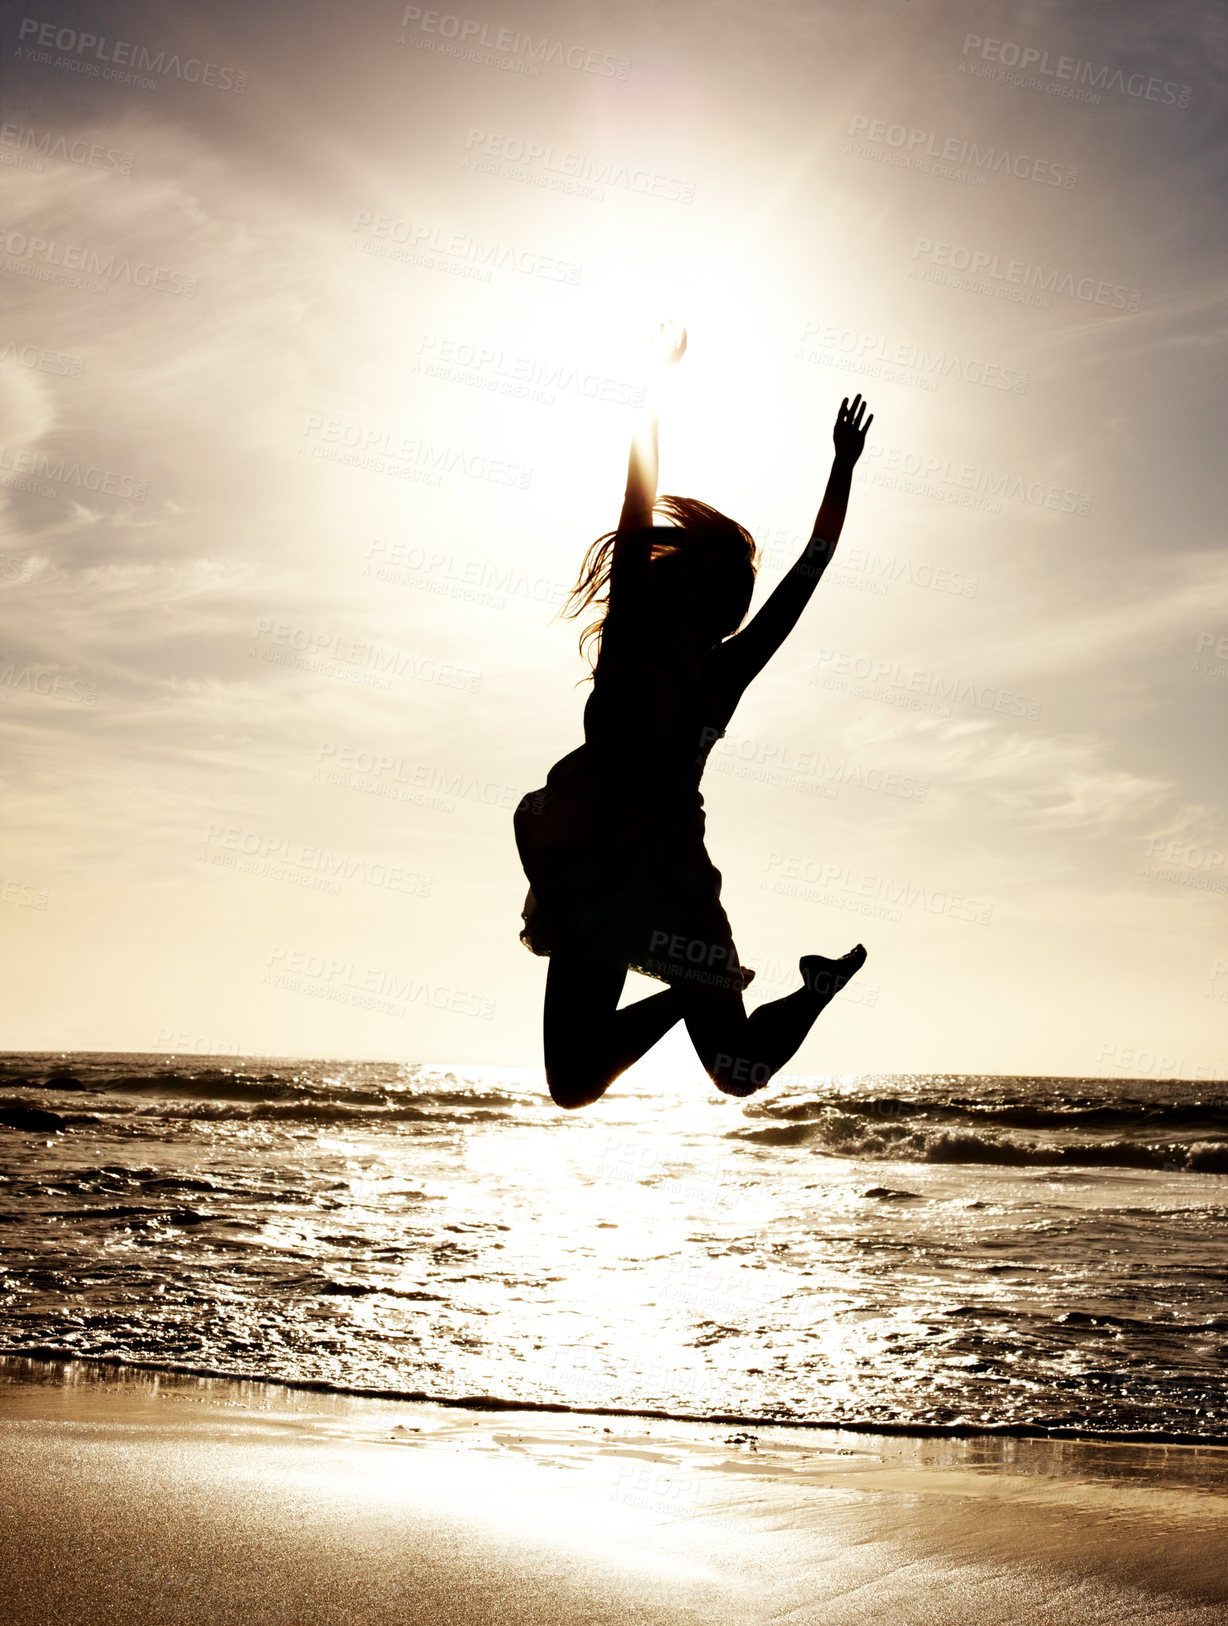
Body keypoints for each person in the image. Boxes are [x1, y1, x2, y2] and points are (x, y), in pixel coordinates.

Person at [514, 324, 873, 1108]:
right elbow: (636, 500)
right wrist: (657, 389)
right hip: (595, 866)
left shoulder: (725, 674)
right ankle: (694, 991)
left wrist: (840, 473)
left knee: (738, 1074)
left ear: (721, 614)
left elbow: (808, 575)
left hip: (673, 879)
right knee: (573, 1082)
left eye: (720, 601)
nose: (701, 606)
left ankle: (812, 990)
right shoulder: (627, 645)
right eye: (696, 589)